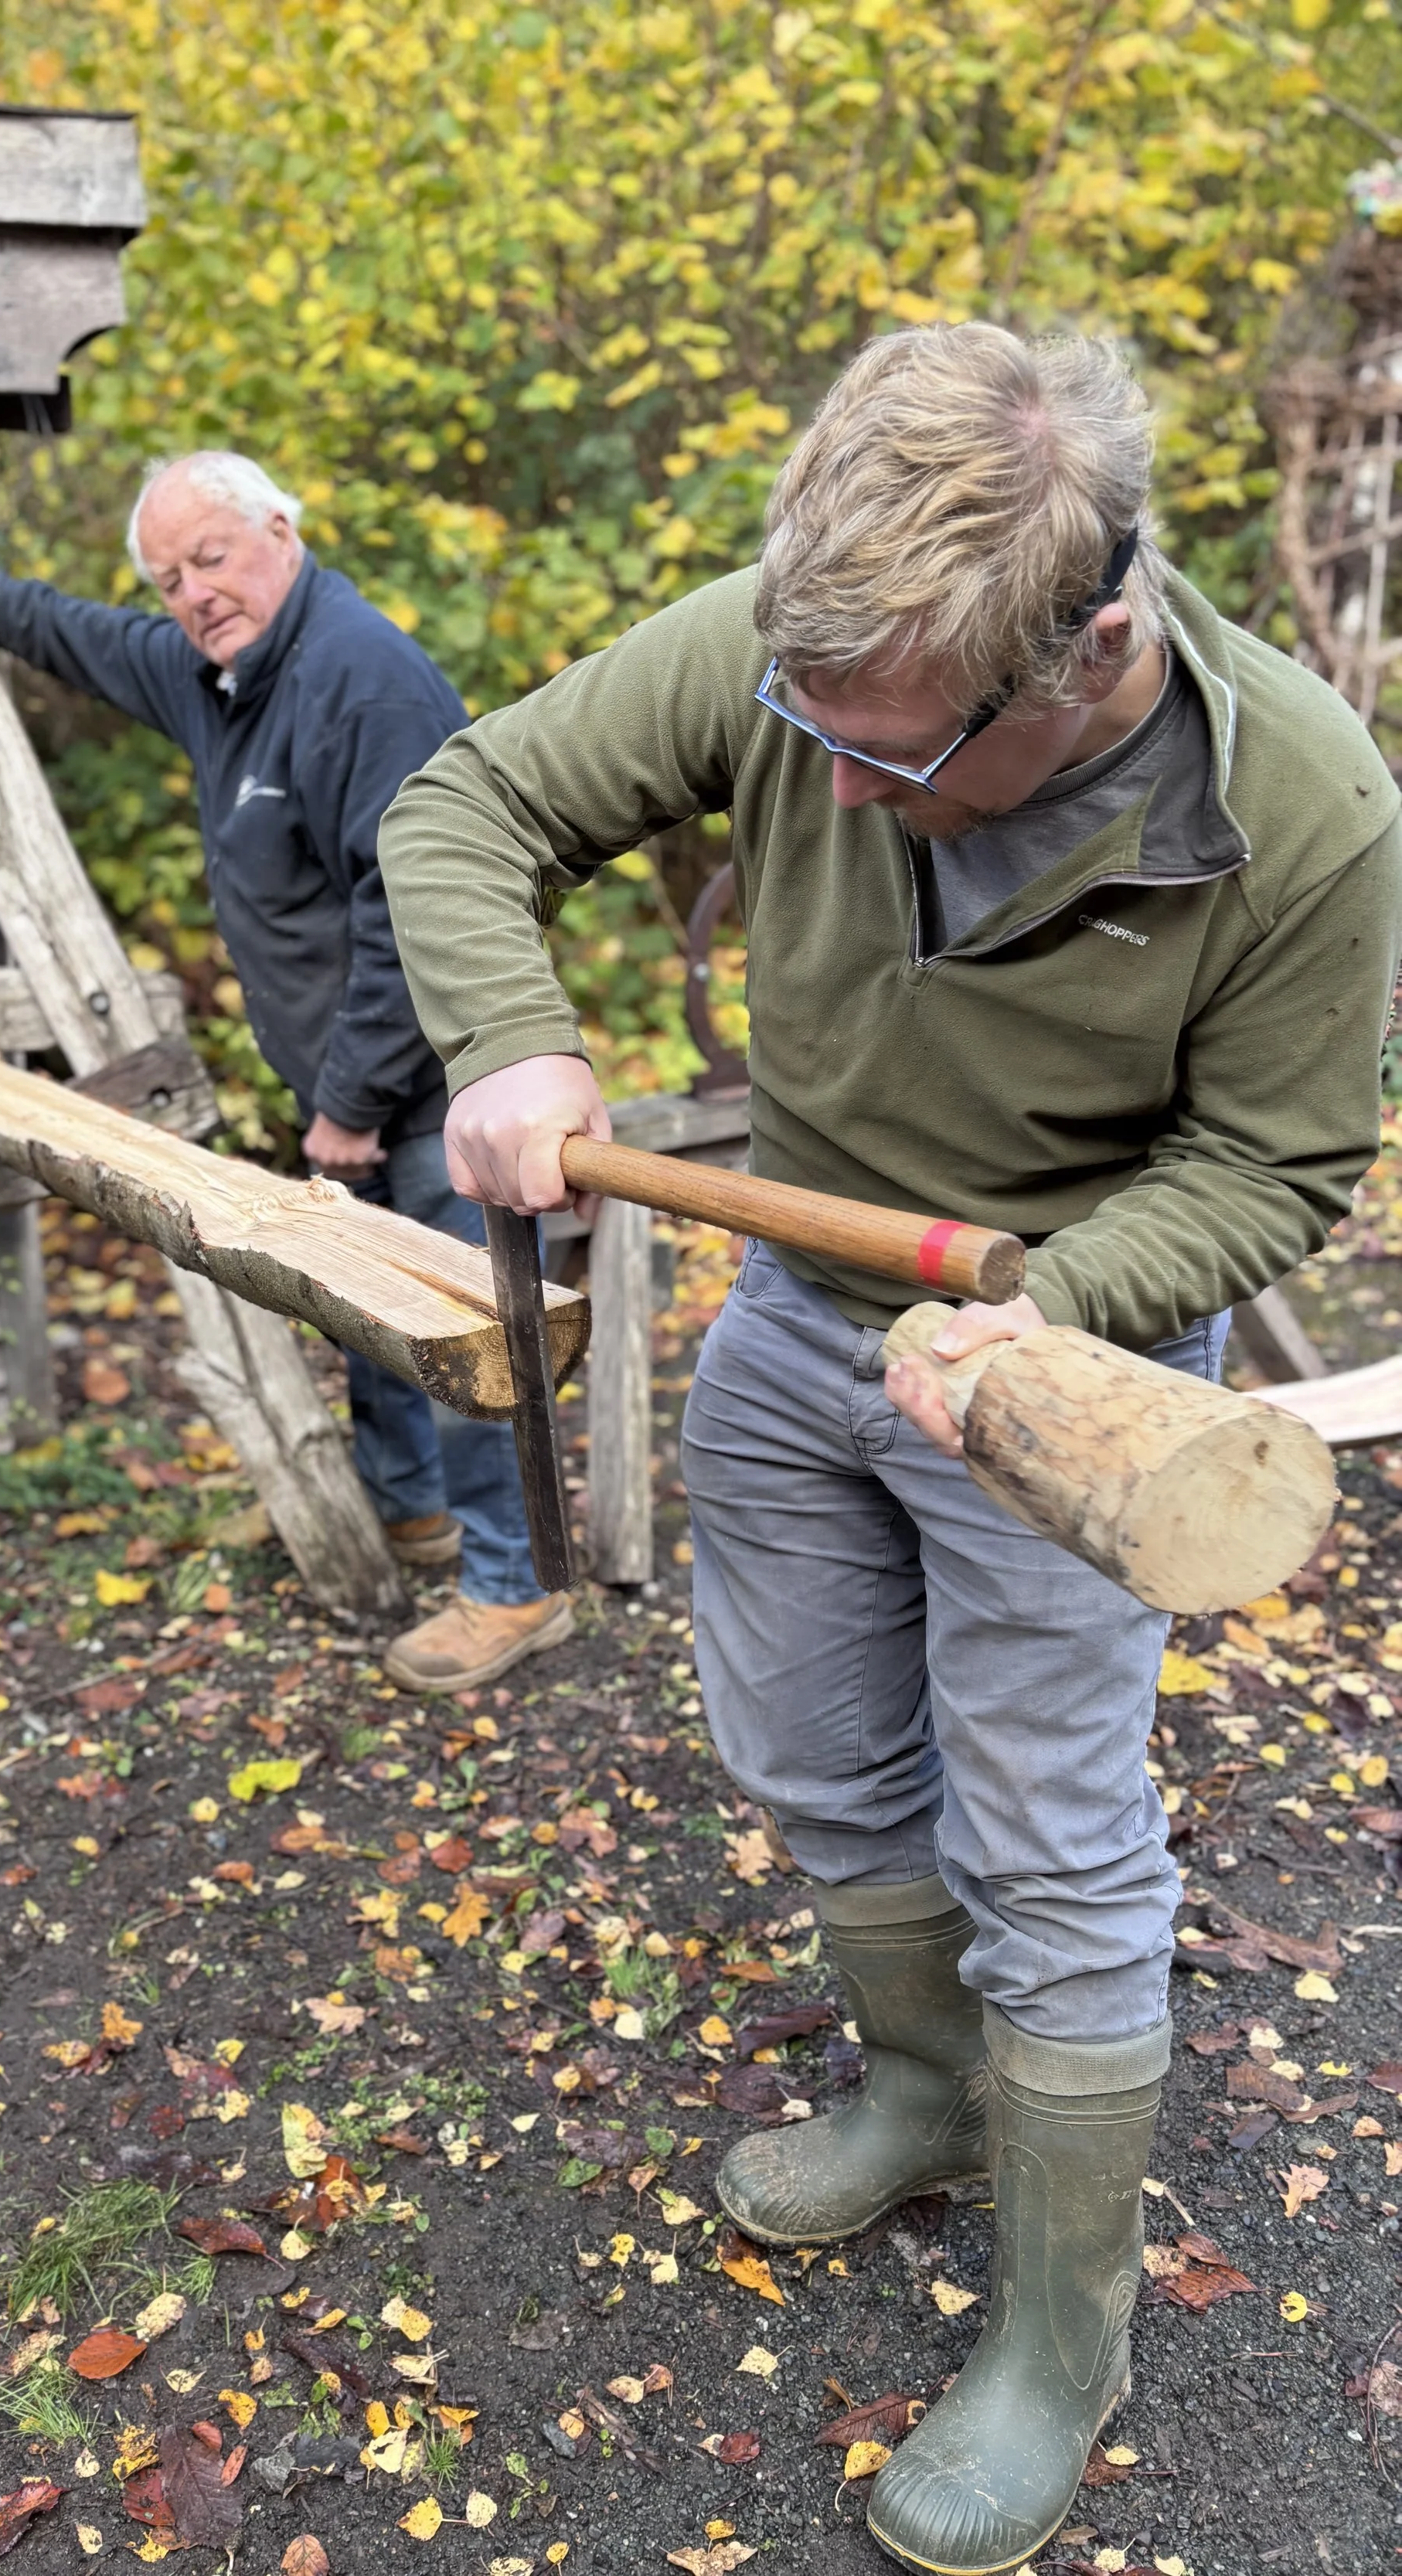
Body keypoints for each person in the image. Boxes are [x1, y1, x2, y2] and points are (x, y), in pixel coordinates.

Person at [377, 323, 1402, 2575]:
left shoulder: (1301, 807)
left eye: (893, 750)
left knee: (1050, 1834)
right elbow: (468, 805)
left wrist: (1049, 1308)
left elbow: (1274, 1162)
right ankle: (927, 2094)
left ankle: (1061, 2332)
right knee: (813, 1751)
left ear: (1091, 644)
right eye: (805, 727)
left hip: (1063, 1370)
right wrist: (514, 1039)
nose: (828, 794)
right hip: (794, 1316)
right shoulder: (810, 660)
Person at [0, 454, 572, 1693]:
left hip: (440, 1088)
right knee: (365, 1309)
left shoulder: (360, 679)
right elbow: (93, 639)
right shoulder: (220, 678)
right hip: (349, 1089)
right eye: (170, 578)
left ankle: (517, 1587)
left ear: (280, 530)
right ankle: (410, 1512)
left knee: (472, 1336)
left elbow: (417, 912)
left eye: (211, 558)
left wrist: (349, 1104)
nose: (191, 594)